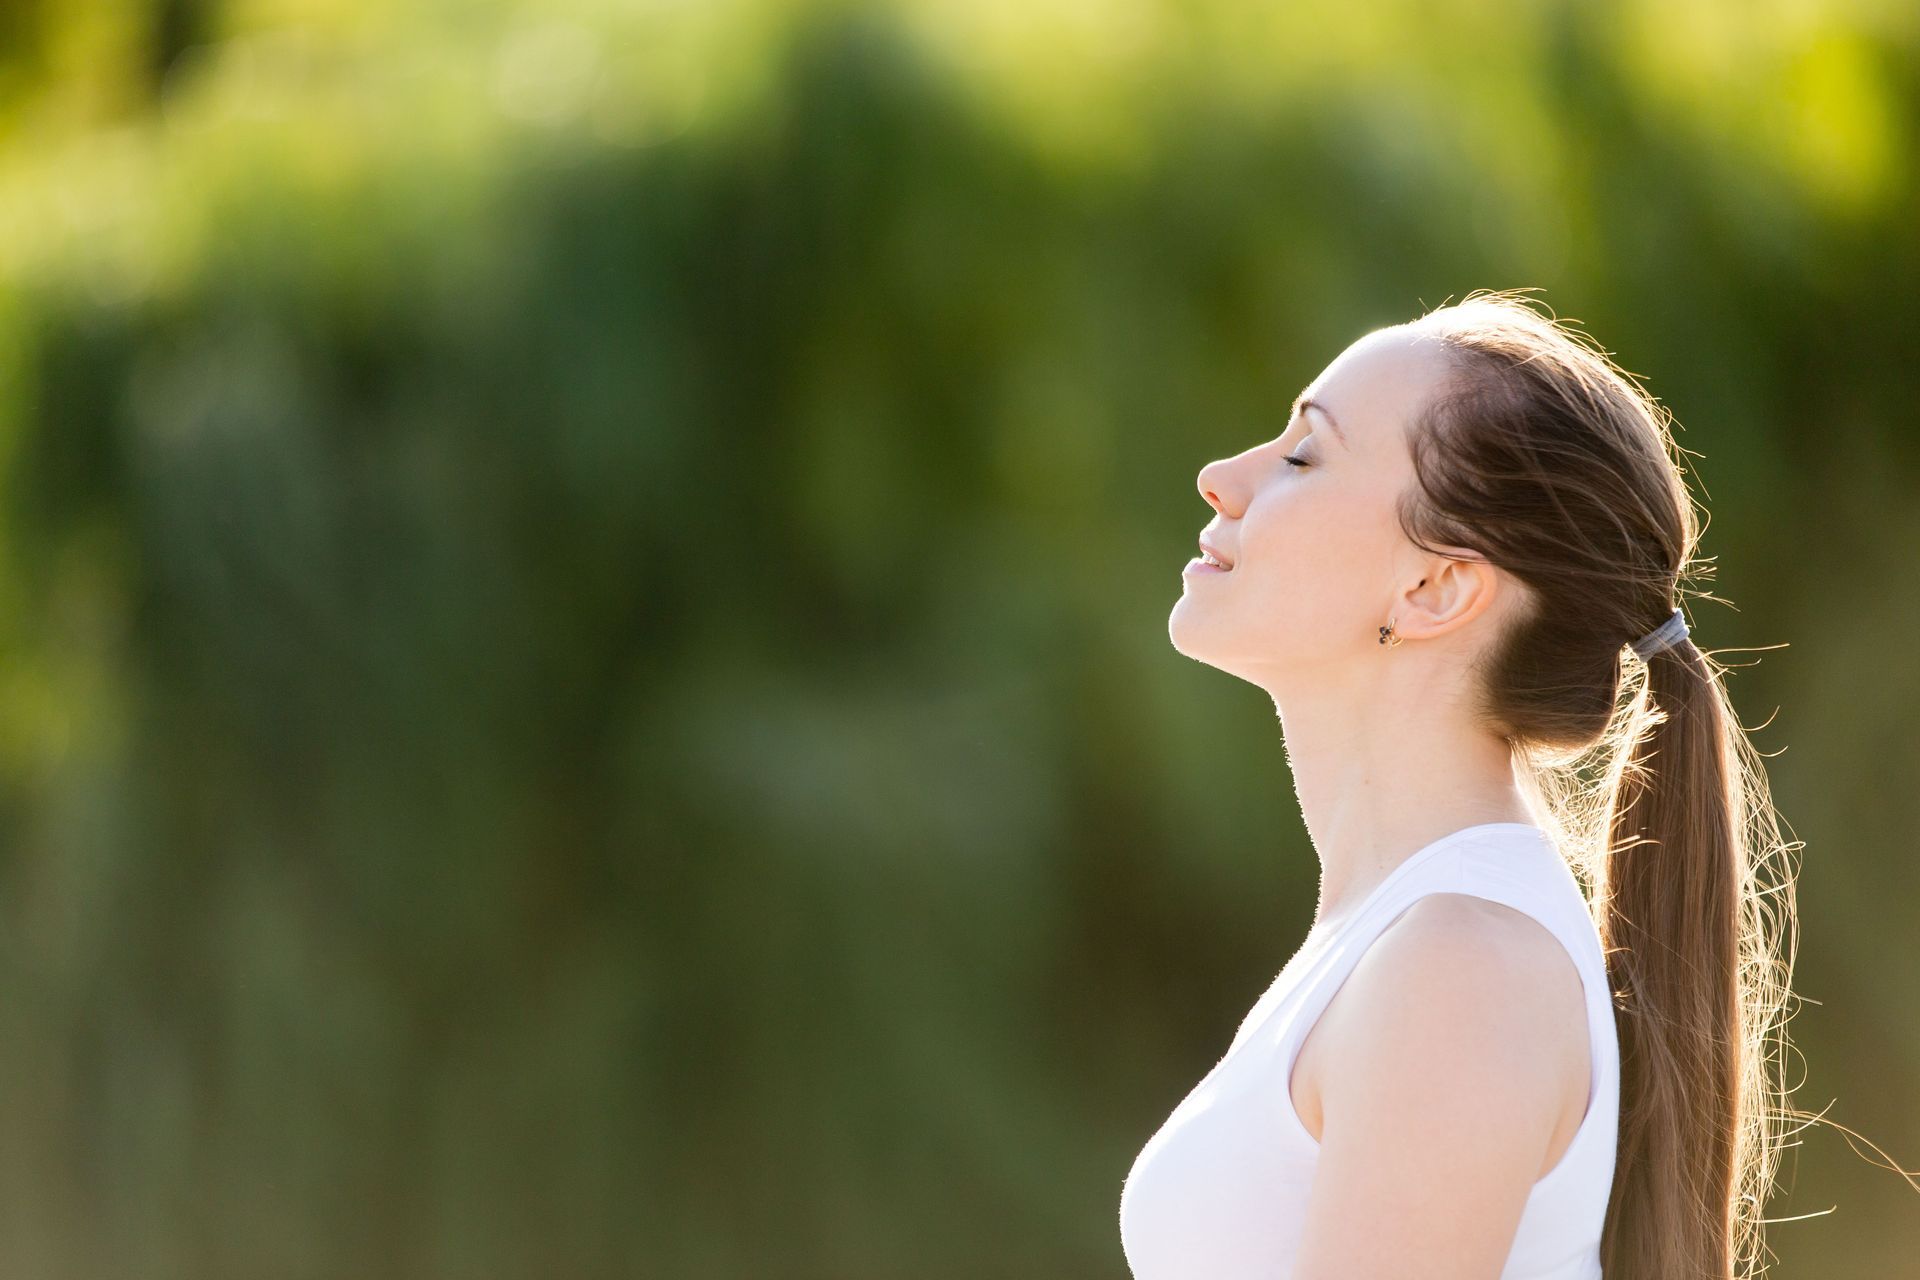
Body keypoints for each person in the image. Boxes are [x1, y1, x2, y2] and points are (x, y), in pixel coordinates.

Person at [1118, 289, 1801, 1279]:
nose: (1223, 478)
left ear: (1435, 588)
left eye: (1303, 454)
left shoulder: (1461, 964)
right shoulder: (1407, 939)